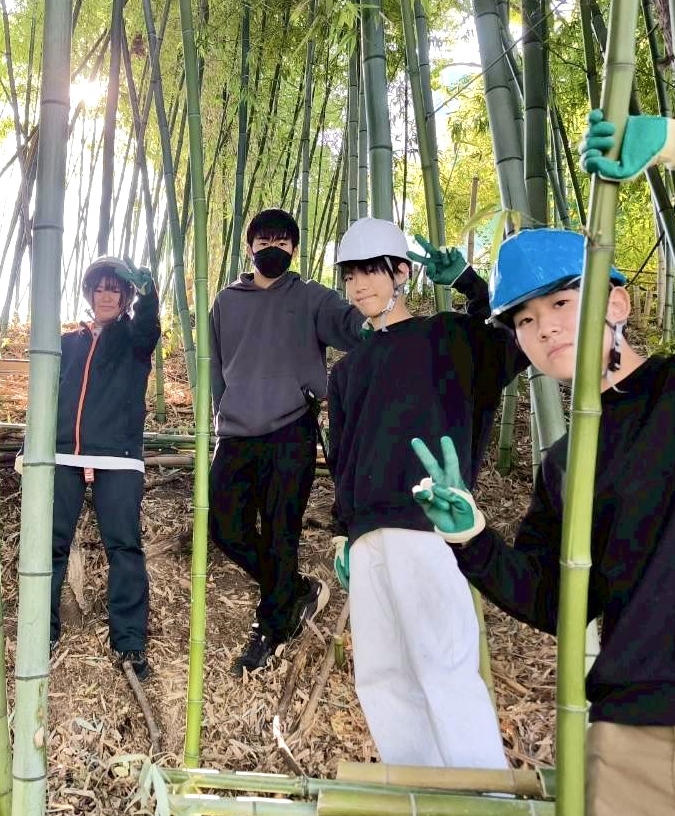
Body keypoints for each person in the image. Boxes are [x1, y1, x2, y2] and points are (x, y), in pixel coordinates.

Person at [409, 110, 675, 813]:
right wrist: (472, 539)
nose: (545, 326)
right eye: (524, 319)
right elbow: (555, 602)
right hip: (625, 741)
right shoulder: (564, 463)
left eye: (561, 300)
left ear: (616, 300)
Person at [327, 216, 525, 768]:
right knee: (381, 676)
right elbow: (343, 457)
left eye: (370, 270)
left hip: (429, 521)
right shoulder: (347, 372)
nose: (359, 285)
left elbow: (517, 336)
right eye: (350, 275)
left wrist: (470, 284)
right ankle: (419, 793)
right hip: (367, 536)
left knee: (444, 665)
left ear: (401, 272)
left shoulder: (449, 337)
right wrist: (343, 535)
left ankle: (483, 794)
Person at [209, 208, 366, 676]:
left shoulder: (312, 297)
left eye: (282, 242)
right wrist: (222, 413)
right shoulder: (226, 302)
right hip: (236, 432)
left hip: (290, 429)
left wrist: (381, 306)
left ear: (294, 249)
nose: (272, 249)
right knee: (224, 527)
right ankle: (293, 588)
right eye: (264, 241)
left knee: (281, 532)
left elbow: (356, 329)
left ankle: (272, 628)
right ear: (249, 247)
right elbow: (216, 367)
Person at [41, 256, 160, 680]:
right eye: (99, 288)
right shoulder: (66, 343)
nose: (106, 295)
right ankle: (42, 633)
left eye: (114, 289)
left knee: (123, 547)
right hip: (64, 455)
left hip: (117, 456)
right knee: (51, 546)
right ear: (89, 294)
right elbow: (47, 397)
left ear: (125, 296)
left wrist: (149, 297)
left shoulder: (133, 339)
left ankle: (129, 642)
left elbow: (148, 328)